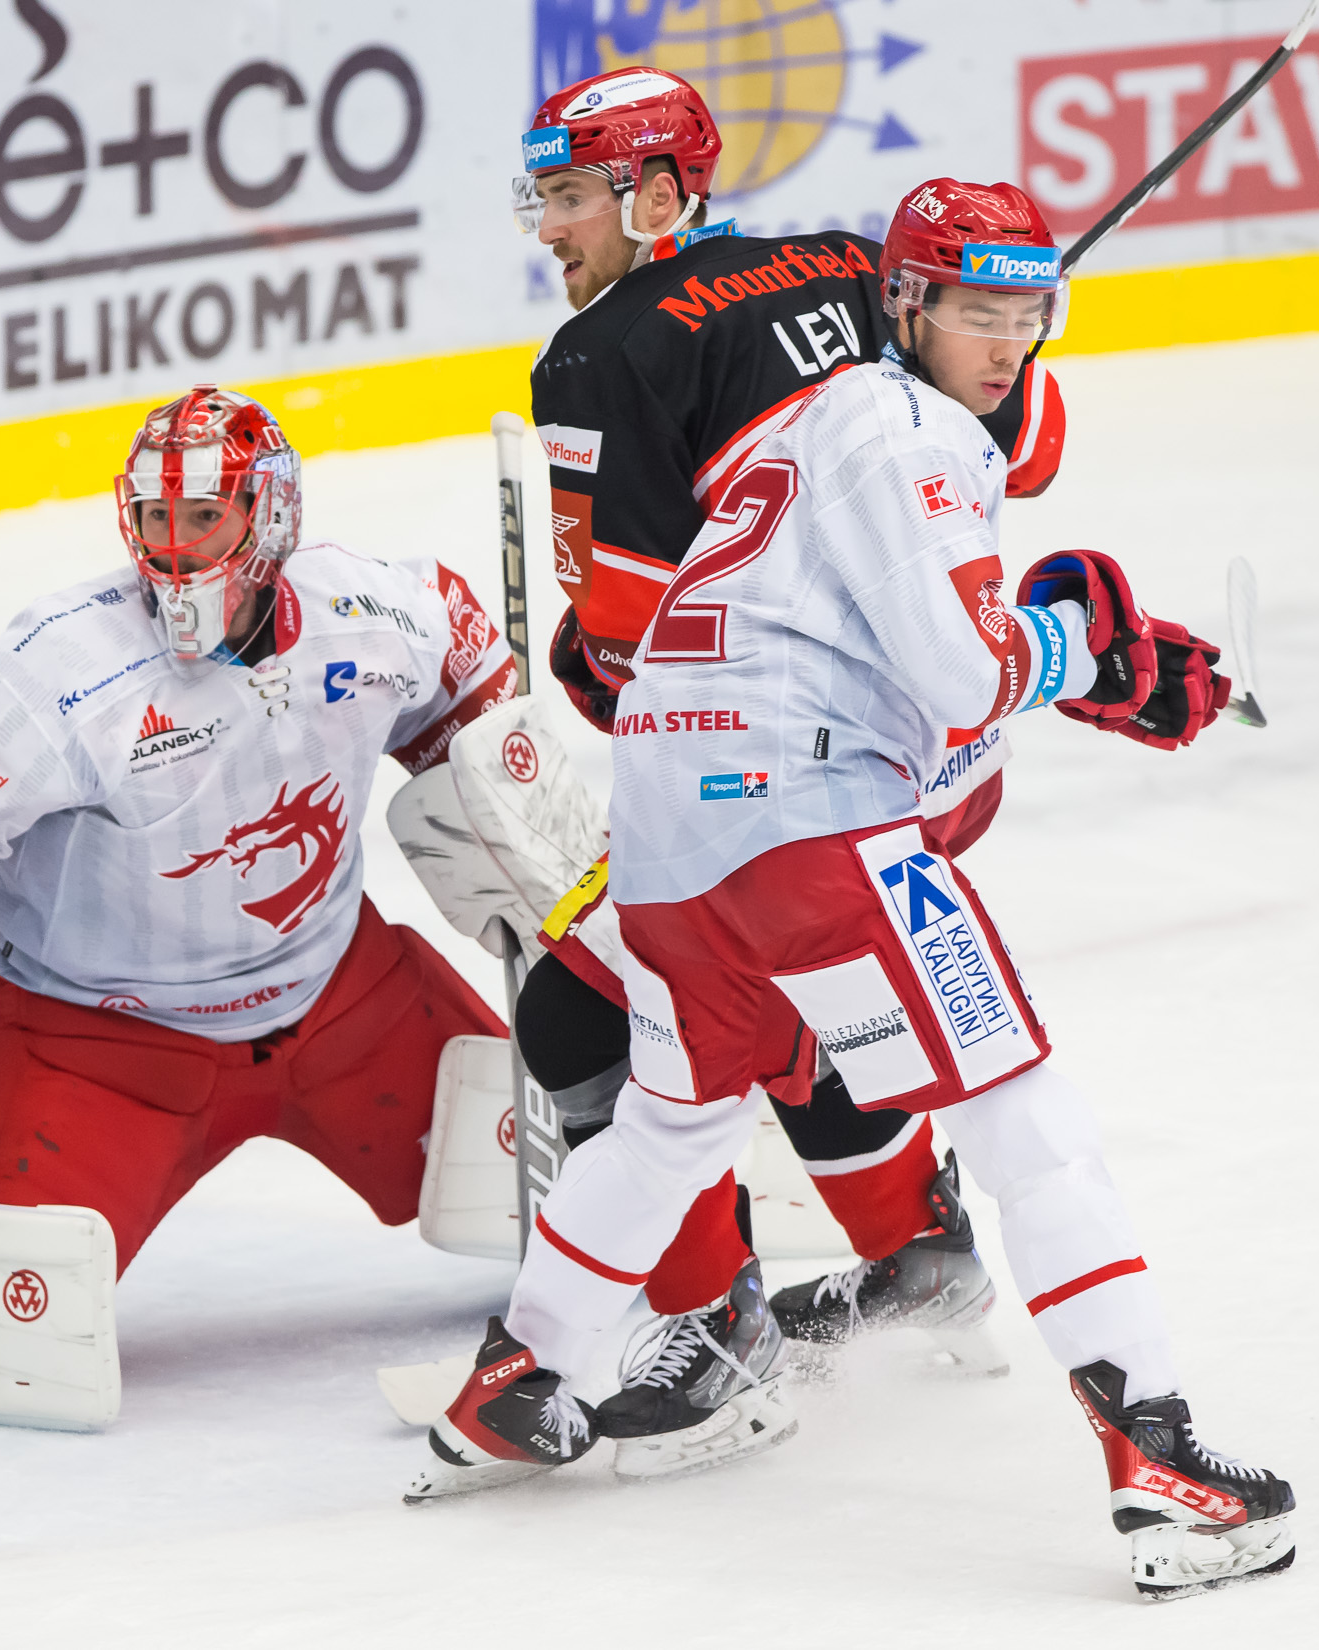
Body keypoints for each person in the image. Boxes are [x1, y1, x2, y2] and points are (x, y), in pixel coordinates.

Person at [418, 179, 1294, 1605]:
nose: (1009, 344)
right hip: (804, 822)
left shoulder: (809, 423)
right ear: (902, 303)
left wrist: (1079, 651)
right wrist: (1087, 650)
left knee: (670, 1121)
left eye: (1032, 312)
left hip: (668, 845)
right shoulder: (914, 433)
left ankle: (517, 1381)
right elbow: (959, 677)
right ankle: (1161, 1465)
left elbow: (882, 653)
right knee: (1025, 1120)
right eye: (978, 310)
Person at [0, 385, 571, 1430]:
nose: (174, 547)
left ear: (270, 515)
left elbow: (462, 666)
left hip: (342, 1004)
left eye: (203, 515)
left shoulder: (373, 612)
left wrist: (502, 787)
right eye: (156, 517)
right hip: (94, 1046)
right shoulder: (72, 665)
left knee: (568, 1183)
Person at [501, 66, 1069, 1422]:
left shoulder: (597, 352)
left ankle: (713, 1322)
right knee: (807, 997)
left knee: (582, 1010)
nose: (549, 229)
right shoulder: (852, 262)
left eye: (572, 196)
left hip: (787, 765)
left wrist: (585, 664)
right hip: (943, 735)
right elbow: (1032, 447)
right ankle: (917, 1249)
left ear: (656, 196)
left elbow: (629, 641)